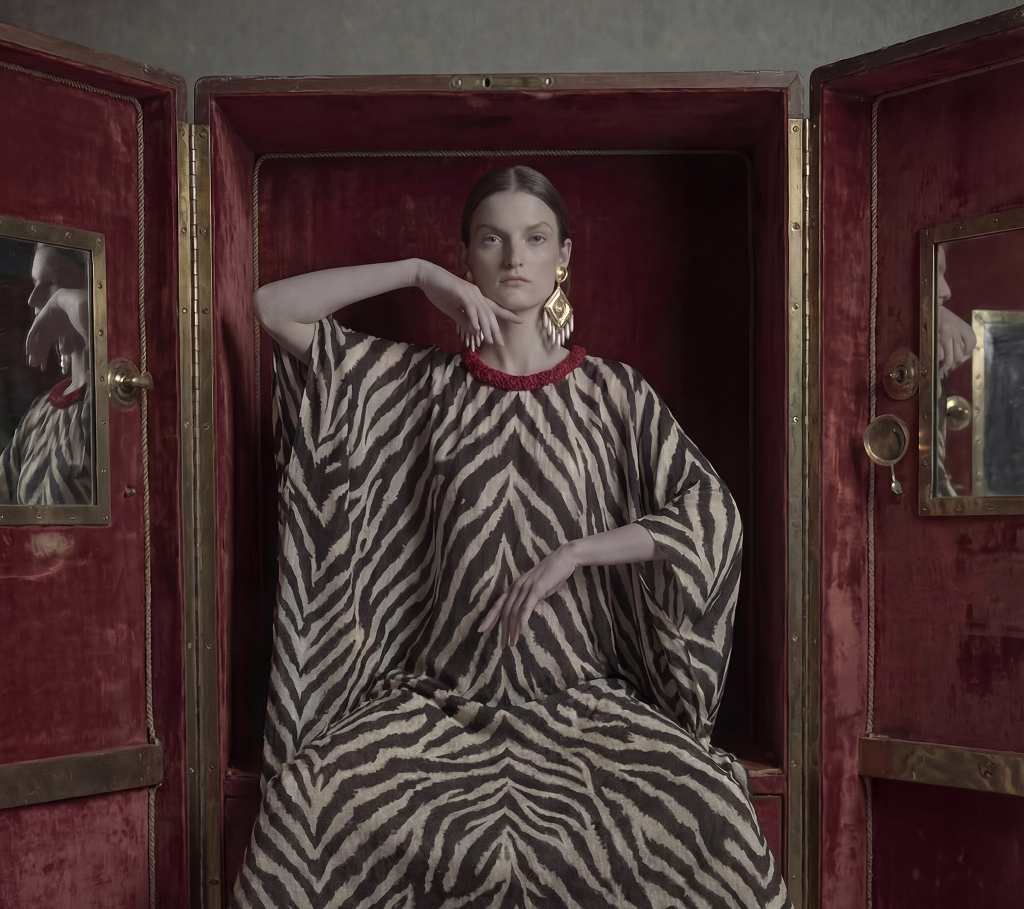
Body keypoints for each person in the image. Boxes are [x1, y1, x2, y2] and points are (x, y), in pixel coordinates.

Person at [230, 166, 791, 908]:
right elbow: (274, 307)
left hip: (579, 703)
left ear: (564, 256)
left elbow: (710, 514)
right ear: (467, 258)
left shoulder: (613, 395)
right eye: (491, 241)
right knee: (304, 804)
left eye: (535, 239)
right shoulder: (414, 383)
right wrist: (418, 275)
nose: (514, 258)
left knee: (714, 810)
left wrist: (578, 550)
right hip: (435, 705)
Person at [0, 243, 92, 506]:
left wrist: (63, 301)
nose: (33, 299)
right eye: (34, 283)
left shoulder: (112, 398)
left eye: (53, 280)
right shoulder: (40, 411)